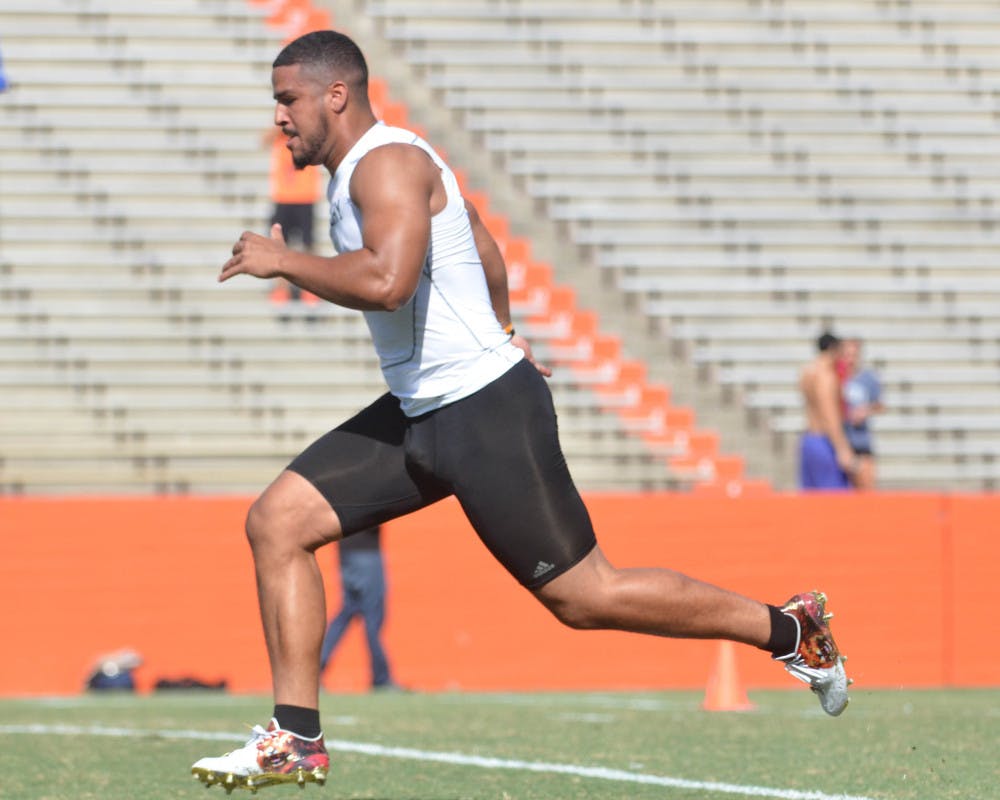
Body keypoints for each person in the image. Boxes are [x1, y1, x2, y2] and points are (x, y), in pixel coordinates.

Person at [191, 30, 851, 793]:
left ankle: (791, 628)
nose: (279, 117)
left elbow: (389, 283)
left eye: (288, 99)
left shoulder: (387, 163)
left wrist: (285, 261)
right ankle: (294, 740)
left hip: (482, 409)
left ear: (335, 95)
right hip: (422, 408)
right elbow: (478, 239)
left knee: (586, 596)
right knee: (278, 522)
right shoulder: (360, 175)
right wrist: (504, 329)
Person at [318, 525, 399, 691]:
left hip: (346, 553)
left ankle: (314, 670)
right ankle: (381, 678)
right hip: (367, 554)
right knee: (373, 619)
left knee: (347, 612)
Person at [262, 125, 322, 306]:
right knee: (280, 246)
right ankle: (281, 289)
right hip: (283, 197)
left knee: (308, 245)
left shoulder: (308, 132)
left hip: (305, 196)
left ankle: (310, 289)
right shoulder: (281, 134)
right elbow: (264, 139)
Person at [798, 332, 856, 490]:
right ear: (833, 349)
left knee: (811, 498)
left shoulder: (807, 372)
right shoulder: (826, 376)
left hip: (808, 440)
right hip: (823, 441)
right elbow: (829, 414)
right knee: (834, 499)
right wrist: (842, 449)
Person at [839, 338, 883, 491]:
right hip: (840, 441)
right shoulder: (836, 378)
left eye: (853, 355)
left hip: (860, 442)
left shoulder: (867, 378)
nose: (850, 359)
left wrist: (865, 410)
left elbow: (879, 405)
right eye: (847, 355)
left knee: (866, 486)